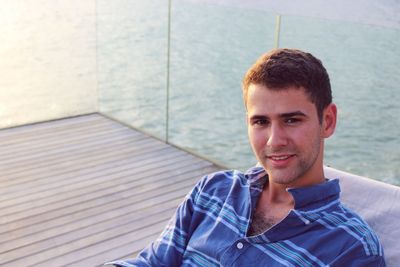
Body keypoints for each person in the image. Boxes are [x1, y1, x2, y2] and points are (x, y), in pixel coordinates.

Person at [107, 49, 385, 266]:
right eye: (260, 122)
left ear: (327, 121)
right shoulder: (212, 191)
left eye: (291, 120)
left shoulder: (351, 248)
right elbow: (153, 263)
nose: (275, 140)